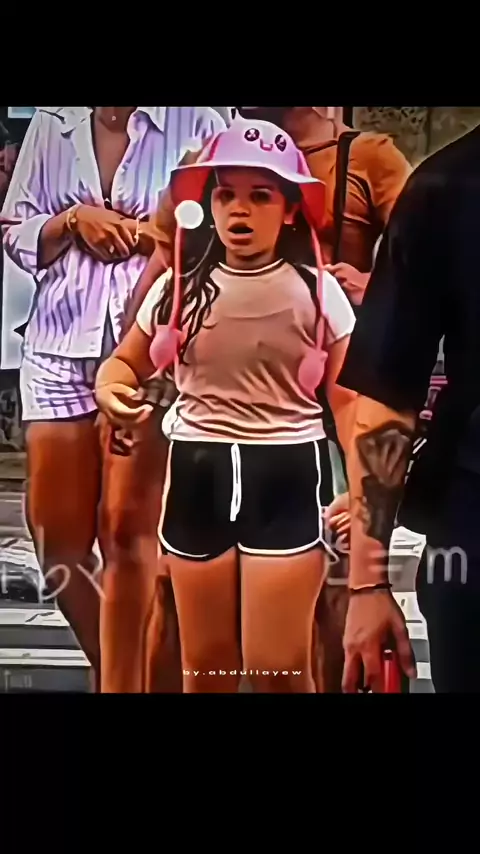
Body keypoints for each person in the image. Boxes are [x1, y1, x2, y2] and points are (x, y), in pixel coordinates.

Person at [118, 105, 411, 694]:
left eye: (260, 196)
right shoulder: (181, 289)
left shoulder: (318, 293)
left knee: (277, 665)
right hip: (197, 471)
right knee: (206, 667)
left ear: (291, 207)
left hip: (287, 471)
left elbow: (350, 402)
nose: (240, 210)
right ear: (207, 204)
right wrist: (113, 387)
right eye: (225, 195)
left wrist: (363, 492)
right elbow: (126, 360)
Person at [1, 106, 226, 692]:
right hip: (56, 344)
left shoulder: (198, 121)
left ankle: (129, 681)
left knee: (129, 534)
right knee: (56, 541)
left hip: (149, 349)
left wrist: (146, 237)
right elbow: (15, 228)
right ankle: (125, 673)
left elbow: (220, 232)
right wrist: (73, 221)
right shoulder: (52, 122)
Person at [337, 123, 480, 693]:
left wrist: (368, 585)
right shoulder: (446, 187)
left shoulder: (445, 183)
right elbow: (386, 400)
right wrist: (368, 583)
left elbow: (387, 402)